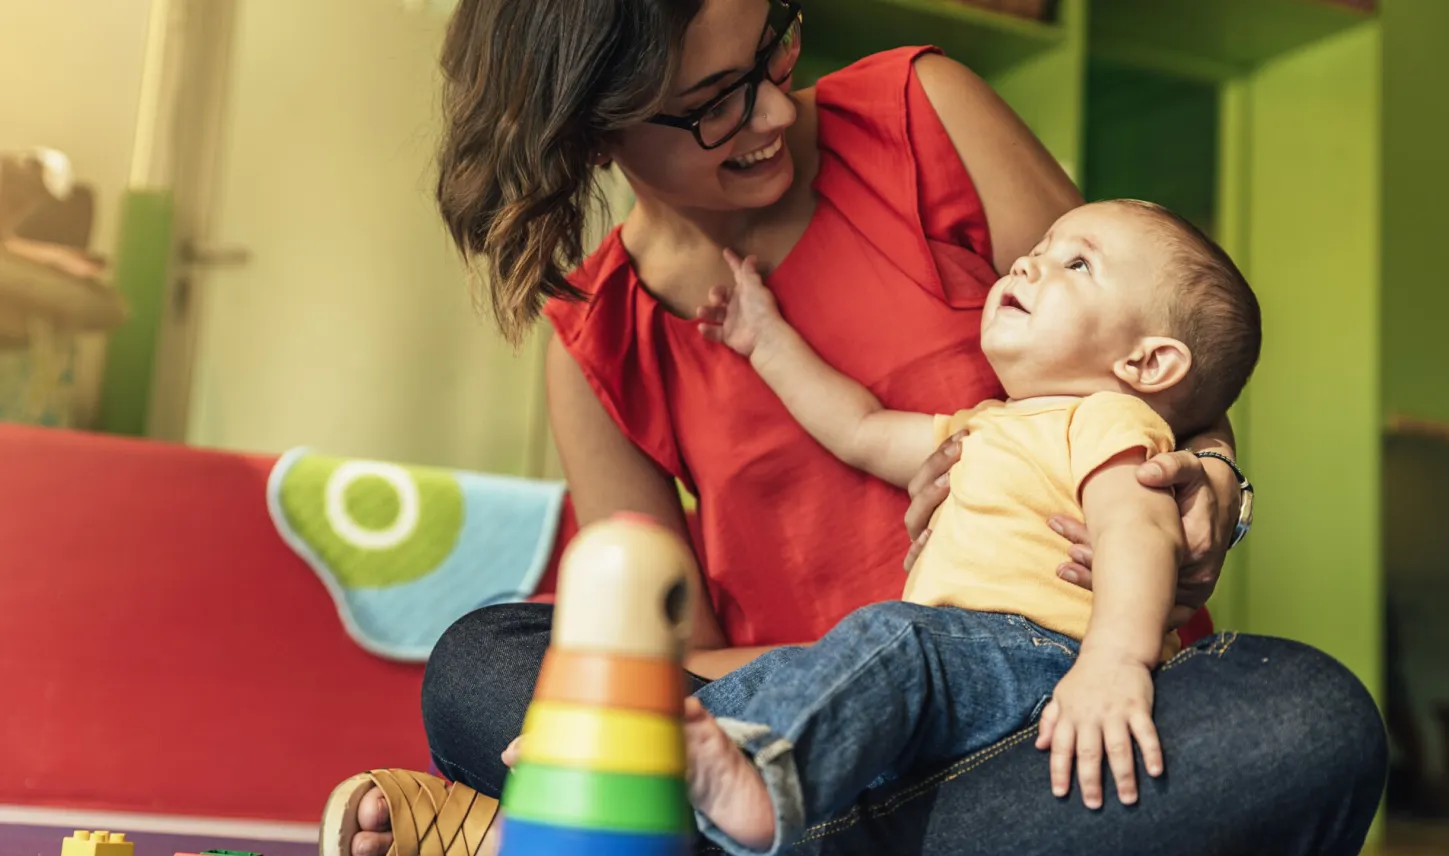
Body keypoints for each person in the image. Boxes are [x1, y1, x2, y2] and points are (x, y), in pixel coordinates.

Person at [319, 1, 1388, 855]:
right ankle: (759, 807)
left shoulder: (925, 112)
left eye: (771, 50)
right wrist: (863, 687)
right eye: (714, 103)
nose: (774, 112)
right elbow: (666, 657)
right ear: (592, 136)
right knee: (482, 660)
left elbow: (1156, 345)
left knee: (1310, 721)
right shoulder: (599, 343)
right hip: (793, 717)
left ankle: (633, 838)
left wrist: (1211, 482)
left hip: (1062, 709)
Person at [678, 198, 1260, 854]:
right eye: (1038, 247)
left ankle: (760, 784)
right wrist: (764, 339)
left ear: (1146, 364)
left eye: (1075, 262)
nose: (1028, 263)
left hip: (1053, 661)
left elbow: (1139, 532)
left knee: (891, 639)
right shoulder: (984, 425)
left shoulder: (1111, 421)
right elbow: (858, 429)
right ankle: (636, 751)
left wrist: (1115, 660)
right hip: (963, 667)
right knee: (803, 667)